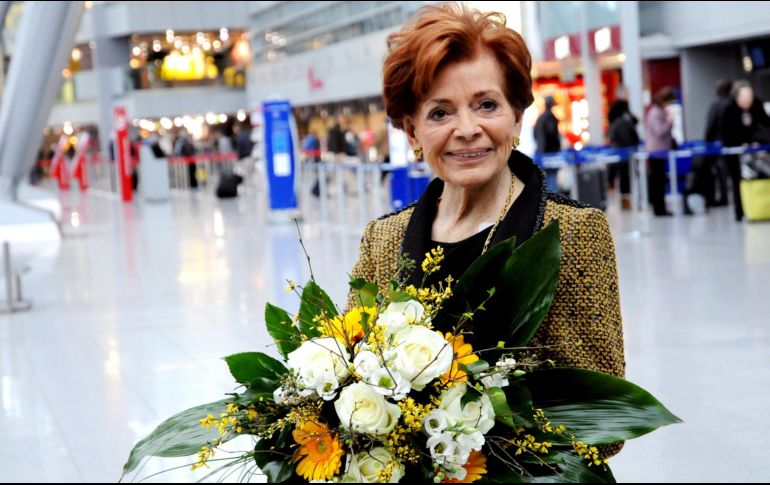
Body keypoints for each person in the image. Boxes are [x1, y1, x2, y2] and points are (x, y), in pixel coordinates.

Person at [349, 3, 624, 451]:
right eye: (440, 113)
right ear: (412, 131)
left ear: (516, 117)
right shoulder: (381, 240)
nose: (467, 129)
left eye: (487, 105)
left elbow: (602, 419)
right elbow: (353, 375)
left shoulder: (574, 233)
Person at [719, 80, 770, 221]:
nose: (748, 100)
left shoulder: (757, 105)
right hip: (736, 152)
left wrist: (758, 140)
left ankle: (761, 209)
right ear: (737, 97)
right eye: (745, 97)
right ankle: (739, 212)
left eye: (750, 96)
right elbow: (726, 132)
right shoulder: (729, 109)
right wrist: (741, 142)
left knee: (759, 179)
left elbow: (766, 124)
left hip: (755, 152)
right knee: (737, 182)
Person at [643, 87, 676, 216]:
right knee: (658, 182)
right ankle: (659, 209)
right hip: (657, 152)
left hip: (659, 151)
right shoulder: (656, 113)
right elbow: (659, 131)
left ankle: (660, 207)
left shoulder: (657, 111)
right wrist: (669, 121)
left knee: (659, 181)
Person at [703, 80, 733, 207]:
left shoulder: (716, 105)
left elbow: (711, 125)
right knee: (731, 172)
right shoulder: (733, 103)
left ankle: (723, 197)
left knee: (721, 172)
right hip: (732, 143)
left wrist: (707, 143)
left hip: (718, 144)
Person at [607, 98, 639, 210]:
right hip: (624, 154)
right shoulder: (624, 123)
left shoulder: (613, 122)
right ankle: (626, 203)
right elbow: (630, 138)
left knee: (621, 179)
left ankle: (624, 202)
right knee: (626, 179)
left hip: (616, 154)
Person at [533, 96, 562, 191]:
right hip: (550, 154)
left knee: (545, 180)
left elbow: (535, 134)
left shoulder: (540, 118)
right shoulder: (550, 118)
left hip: (541, 153)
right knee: (551, 180)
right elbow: (552, 135)